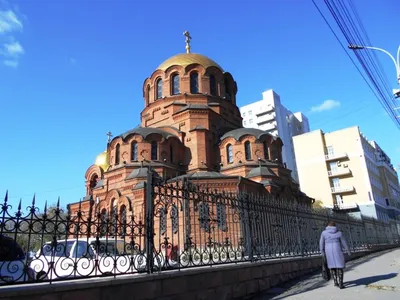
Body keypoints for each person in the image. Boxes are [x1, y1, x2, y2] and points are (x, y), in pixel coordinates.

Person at [319, 221, 351, 289]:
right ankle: (341, 284)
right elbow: (344, 242)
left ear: (328, 226)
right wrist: (348, 252)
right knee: (340, 266)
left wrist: (322, 252)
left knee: (332, 266)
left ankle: (335, 282)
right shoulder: (339, 233)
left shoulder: (324, 233)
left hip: (328, 250)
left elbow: (321, 244)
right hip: (337, 248)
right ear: (335, 226)